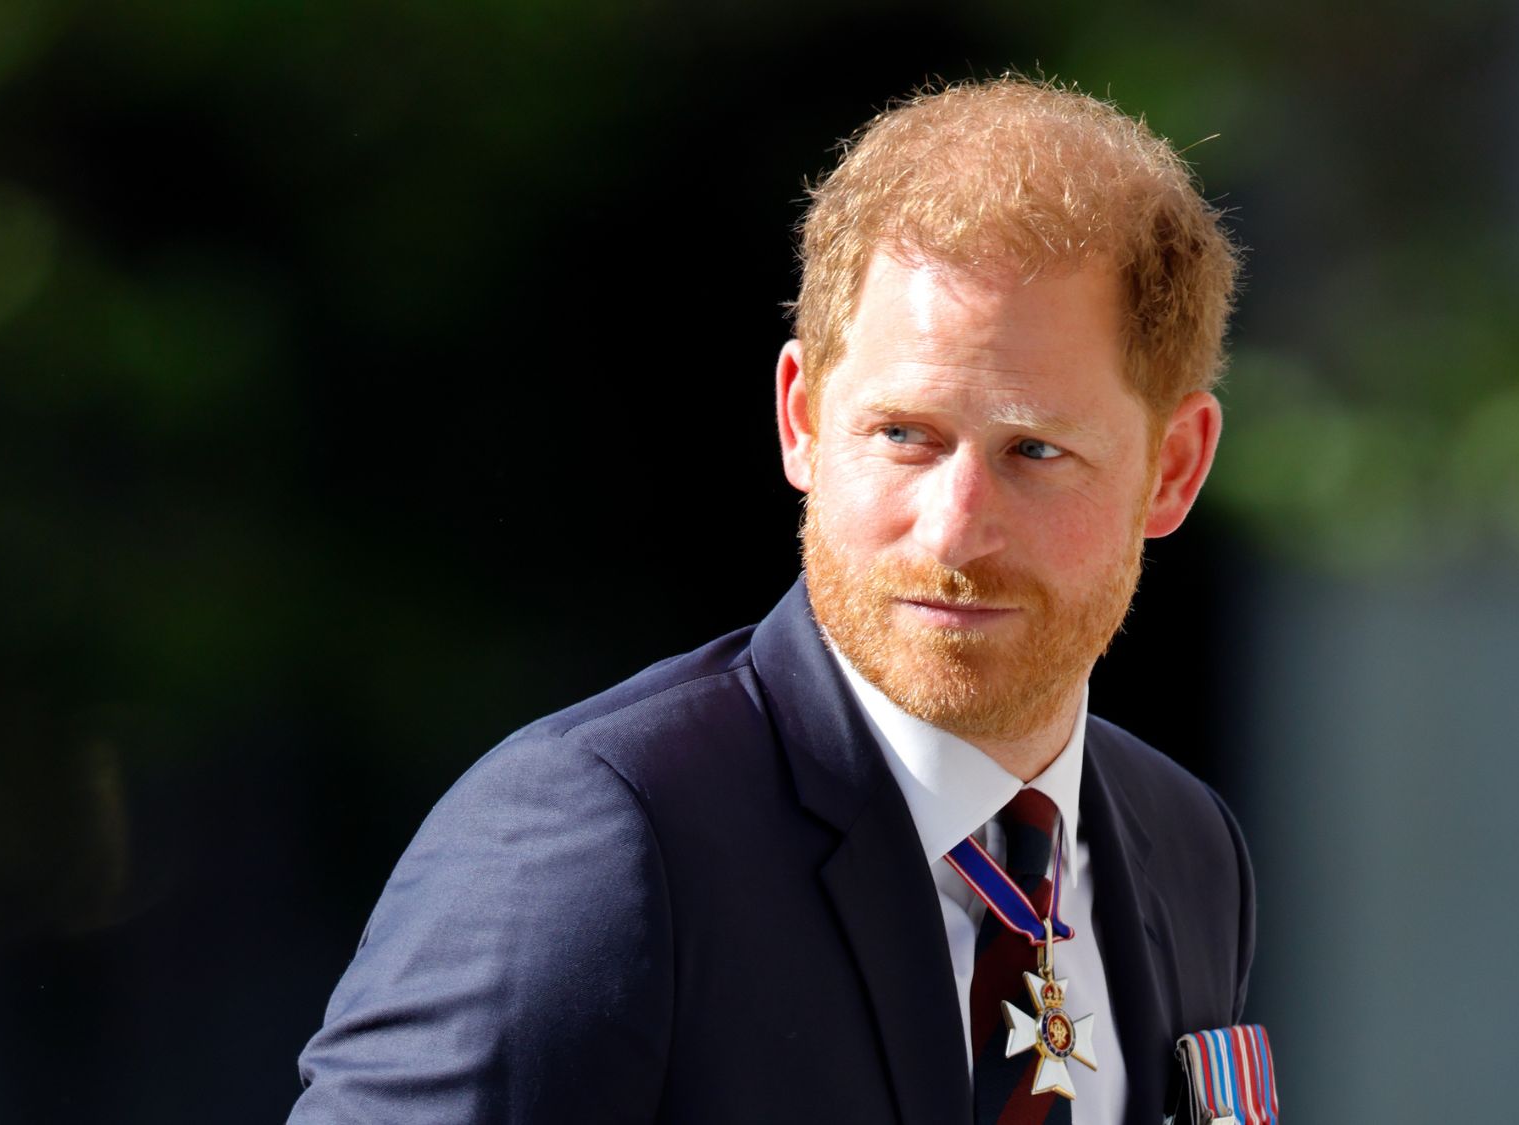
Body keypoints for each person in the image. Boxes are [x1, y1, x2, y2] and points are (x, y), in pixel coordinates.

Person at [288, 76, 1252, 1125]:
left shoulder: (1182, 847)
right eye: (902, 436)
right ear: (799, 419)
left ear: (1171, 468)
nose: (952, 530)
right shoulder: (604, 845)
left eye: (1032, 451)